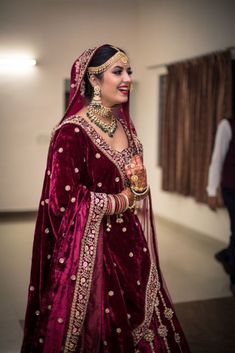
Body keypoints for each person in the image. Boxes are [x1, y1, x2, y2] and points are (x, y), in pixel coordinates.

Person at [21, 44, 191, 353]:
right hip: (91, 253)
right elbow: (63, 202)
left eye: (129, 72)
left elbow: (134, 183)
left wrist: (138, 185)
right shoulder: (71, 133)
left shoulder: (124, 127)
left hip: (130, 246)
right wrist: (123, 199)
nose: (127, 78)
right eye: (118, 71)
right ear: (94, 80)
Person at [207, 117, 235, 296]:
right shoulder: (227, 125)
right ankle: (234, 278)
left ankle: (226, 256)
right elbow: (217, 158)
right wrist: (211, 190)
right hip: (232, 188)